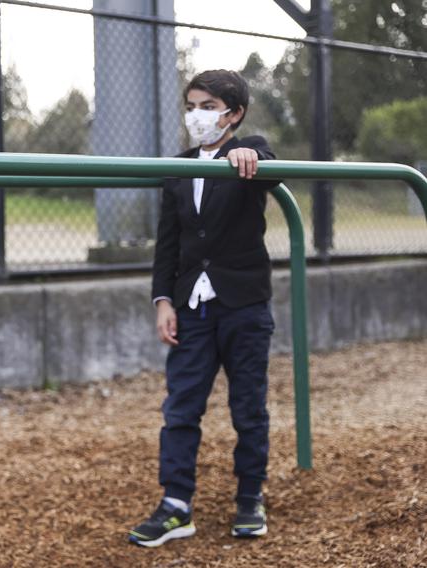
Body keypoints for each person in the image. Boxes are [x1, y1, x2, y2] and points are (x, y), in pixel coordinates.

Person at [127, 69, 280, 547]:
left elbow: (270, 159)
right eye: (192, 105)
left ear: (232, 114)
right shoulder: (178, 168)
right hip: (192, 306)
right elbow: (167, 245)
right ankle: (176, 504)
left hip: (243, 306)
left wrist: (250, 152)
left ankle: (250, 497)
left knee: (248, 408)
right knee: (180, 407)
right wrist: (163, 301)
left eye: (209, 107)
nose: (197, 115)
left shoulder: (247, 155)